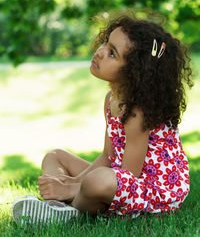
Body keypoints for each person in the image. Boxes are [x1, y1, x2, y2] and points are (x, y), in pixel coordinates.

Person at [12, 15, 193, 224]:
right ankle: (58, 205)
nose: (100, 52)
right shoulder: (111, 99)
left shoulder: (137, 111)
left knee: (98, 181)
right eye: (106, 43)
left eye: (112, 53)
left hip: (154, 190)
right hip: (120, 177)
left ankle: (68, 213)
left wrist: (71, 186)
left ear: (134, 72)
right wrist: (74, 180)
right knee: (55, 156)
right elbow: (108, 155)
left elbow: (128, 176)